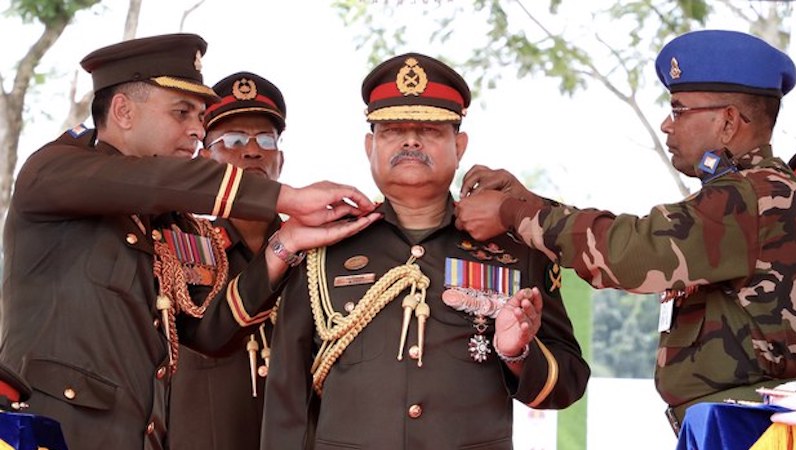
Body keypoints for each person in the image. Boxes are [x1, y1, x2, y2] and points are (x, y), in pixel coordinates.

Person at [0, 33, 379, 450]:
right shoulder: (54, 171)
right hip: (47, 434)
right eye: (182, 113)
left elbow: (208, 332)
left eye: (199, 116)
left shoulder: (167, 222)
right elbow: (153, 181)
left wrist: (283, 244)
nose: (197, 130)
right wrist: (288, 197)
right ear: (124, 111)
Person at [453, 29, 796, 433]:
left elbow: (629, 253)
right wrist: (529, 204)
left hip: (749, 428)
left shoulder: (747, 197)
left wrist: (513, 213)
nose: (667, 125)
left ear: (727, 122)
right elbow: (639, 236)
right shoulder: (756, 191)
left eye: (679, 110)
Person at [261, 52, 590, 449]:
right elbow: (286, 398)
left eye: (430, 129)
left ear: (460, 145)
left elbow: (568, 382)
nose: (411, 140)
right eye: (393, 130)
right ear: (370, 146)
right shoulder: (321, 246)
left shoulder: (516, 249)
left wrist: (518, 355)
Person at [168, 71, 289, 449]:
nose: (252, 151)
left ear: (280, 160)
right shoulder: (178, 249)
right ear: (206, 159)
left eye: (266, 139)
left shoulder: (315, 252)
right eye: (233, 140)